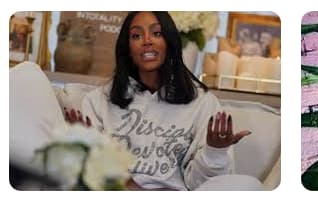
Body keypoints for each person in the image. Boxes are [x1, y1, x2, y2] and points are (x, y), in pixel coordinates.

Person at [64, 11, 255, 190]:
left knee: (249, 185)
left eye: (156, 33)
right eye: (137, 36)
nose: (147, 41)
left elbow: (201, 187)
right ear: (128, 49)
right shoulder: (97, 101)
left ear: (170, 43)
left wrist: (215, 152)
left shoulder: (203, 103)